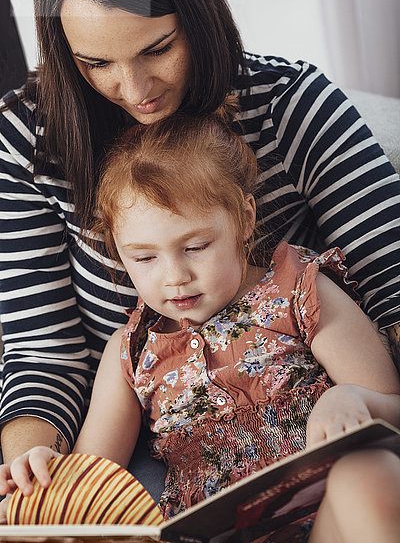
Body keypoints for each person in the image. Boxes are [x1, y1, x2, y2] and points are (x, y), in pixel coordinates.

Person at [0, 0, 399, 497]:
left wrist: (369, 402)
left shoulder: (293, 105)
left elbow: (391, 286)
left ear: (200, 15)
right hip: (148, 442)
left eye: (157, 48)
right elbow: (43, 354)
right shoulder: (27, 141)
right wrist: (35, 470)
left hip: (318, 419)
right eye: (96, 63)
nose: (136, 91)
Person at [0, 107, 399, 542]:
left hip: (328, 517)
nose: (174, 276)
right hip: (208, 534)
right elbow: (93, 479)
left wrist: (353, 399)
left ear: (245, 219)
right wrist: (40, 473)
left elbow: (392, 405)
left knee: (371, 473)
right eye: (145, 257)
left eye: (195, 246)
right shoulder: (130, 349)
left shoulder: (298, 291)